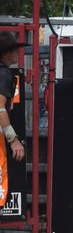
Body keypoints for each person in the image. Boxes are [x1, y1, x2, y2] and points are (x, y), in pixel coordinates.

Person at [0, 34, 28, 213]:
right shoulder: (3, 74)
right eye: (15, 49)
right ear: (7, 53)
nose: (18, 53)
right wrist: (13, 139)